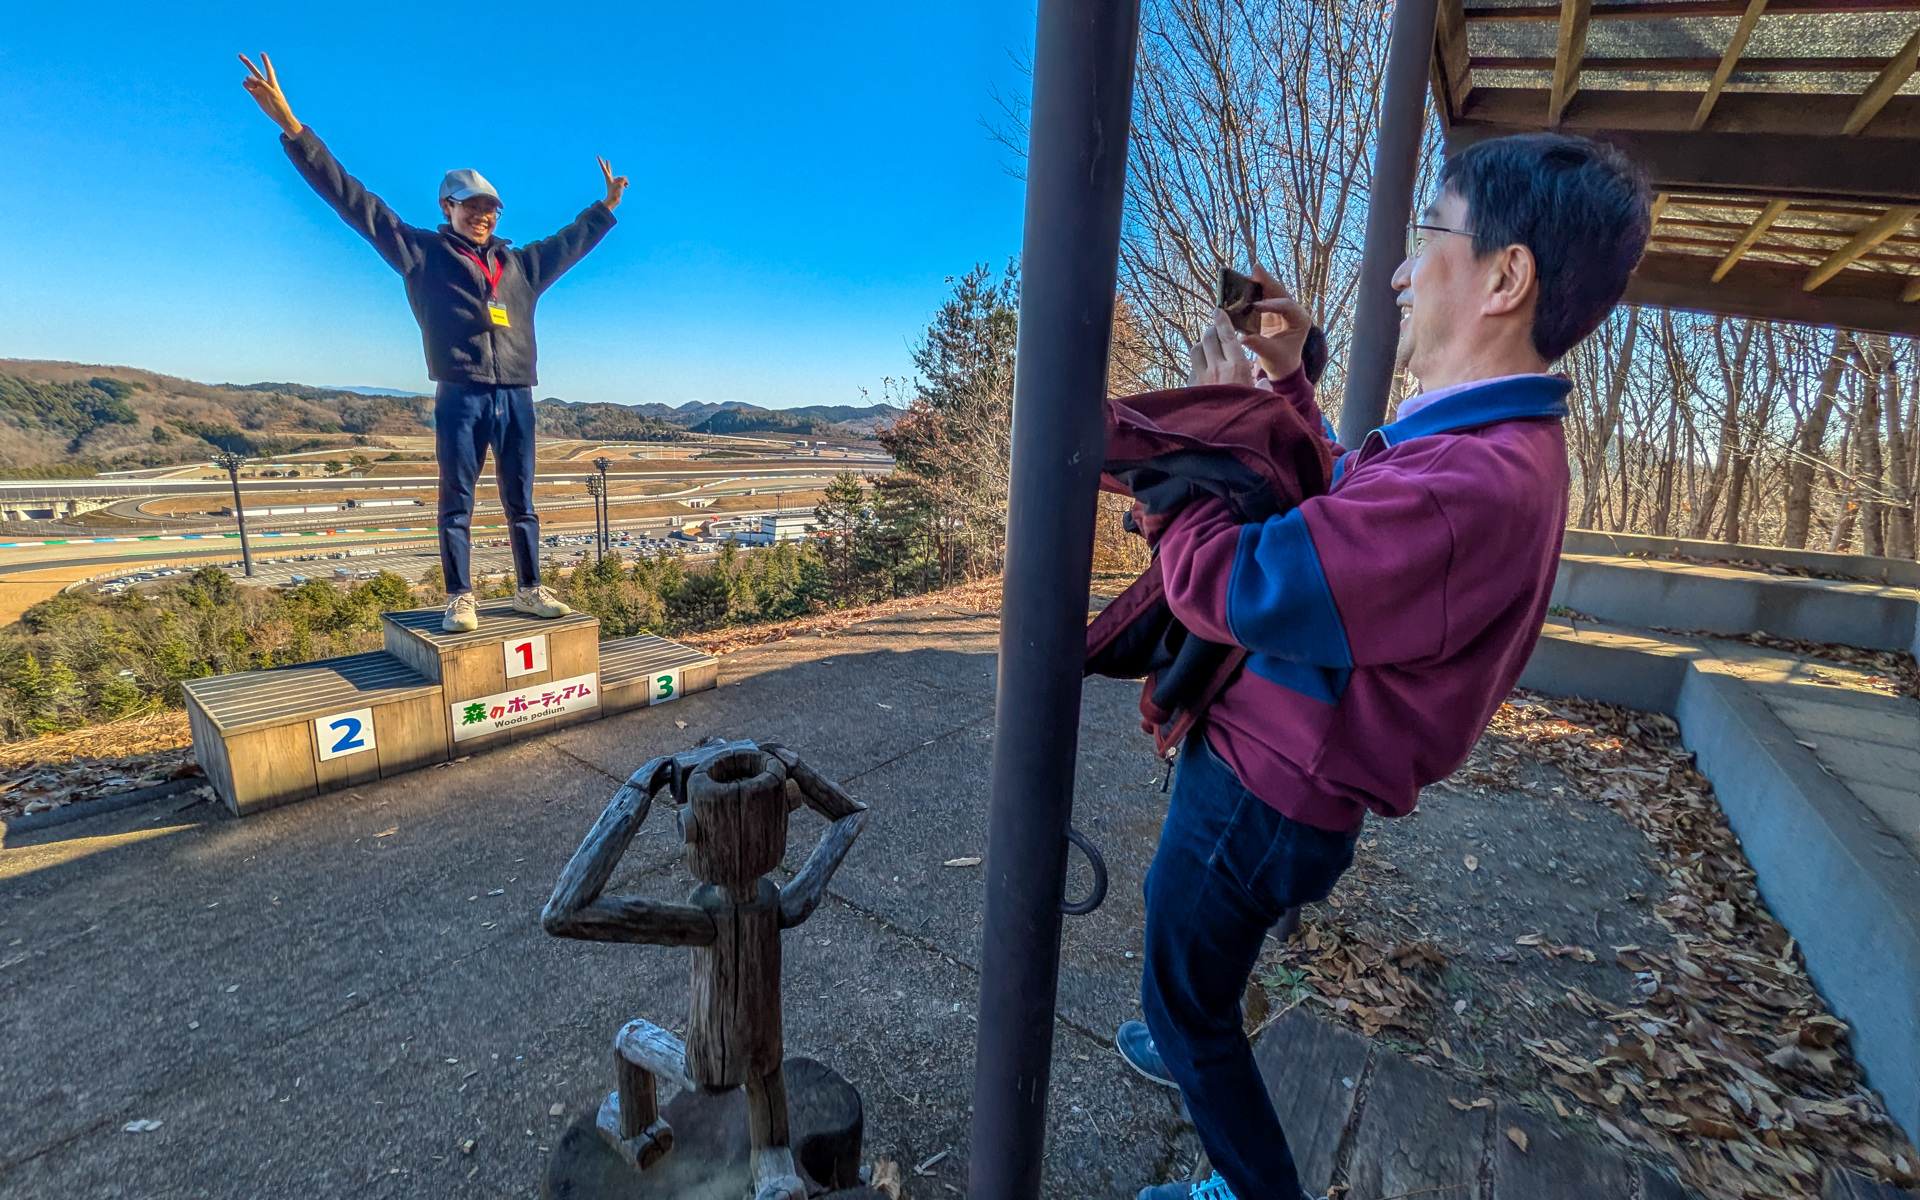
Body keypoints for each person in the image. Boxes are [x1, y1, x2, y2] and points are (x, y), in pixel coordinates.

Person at [1117, 134, 1651, 1200]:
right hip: (1291, 784)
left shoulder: (1472, 481)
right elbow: (1344, 514)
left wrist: (1183, 471)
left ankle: (1244, 1171)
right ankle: (1193, 1019)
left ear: (1505, 277)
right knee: (1194, 978)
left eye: (1427, 240)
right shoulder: (1476, 444)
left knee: (1185, 1007)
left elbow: (1242, 582)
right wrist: (1288, 385)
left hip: (1265, 793)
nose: (1402, 273)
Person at [240, 53, 627, 633]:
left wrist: (603, 210)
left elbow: (569, 243)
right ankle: (461, 595)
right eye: (472, 207)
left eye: (490, 209)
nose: (483, 217)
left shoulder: (520, 265)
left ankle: (529, 588)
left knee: (522, 501)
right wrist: (295, 130)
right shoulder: (421, 252)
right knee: (458, 502)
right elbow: (354, 200)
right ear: (447, 207)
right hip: (460, 392)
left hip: (517, 393)